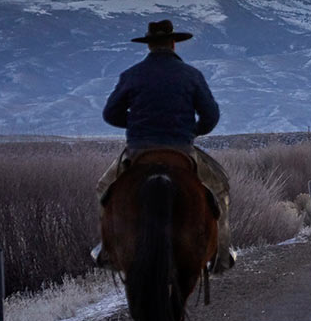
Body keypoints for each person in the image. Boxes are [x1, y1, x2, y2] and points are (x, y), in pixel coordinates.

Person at [92, 20, 236, 272]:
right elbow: (211, 116)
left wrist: (136, 124)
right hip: (181, 148)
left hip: (139, 151)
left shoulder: (132, 75)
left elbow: (110, 114)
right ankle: (222, 257)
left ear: (148, 46)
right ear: (173, 43)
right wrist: (190, 130)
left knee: (104, 188)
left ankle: (107, 251)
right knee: (220, 186)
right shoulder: (192, 75)